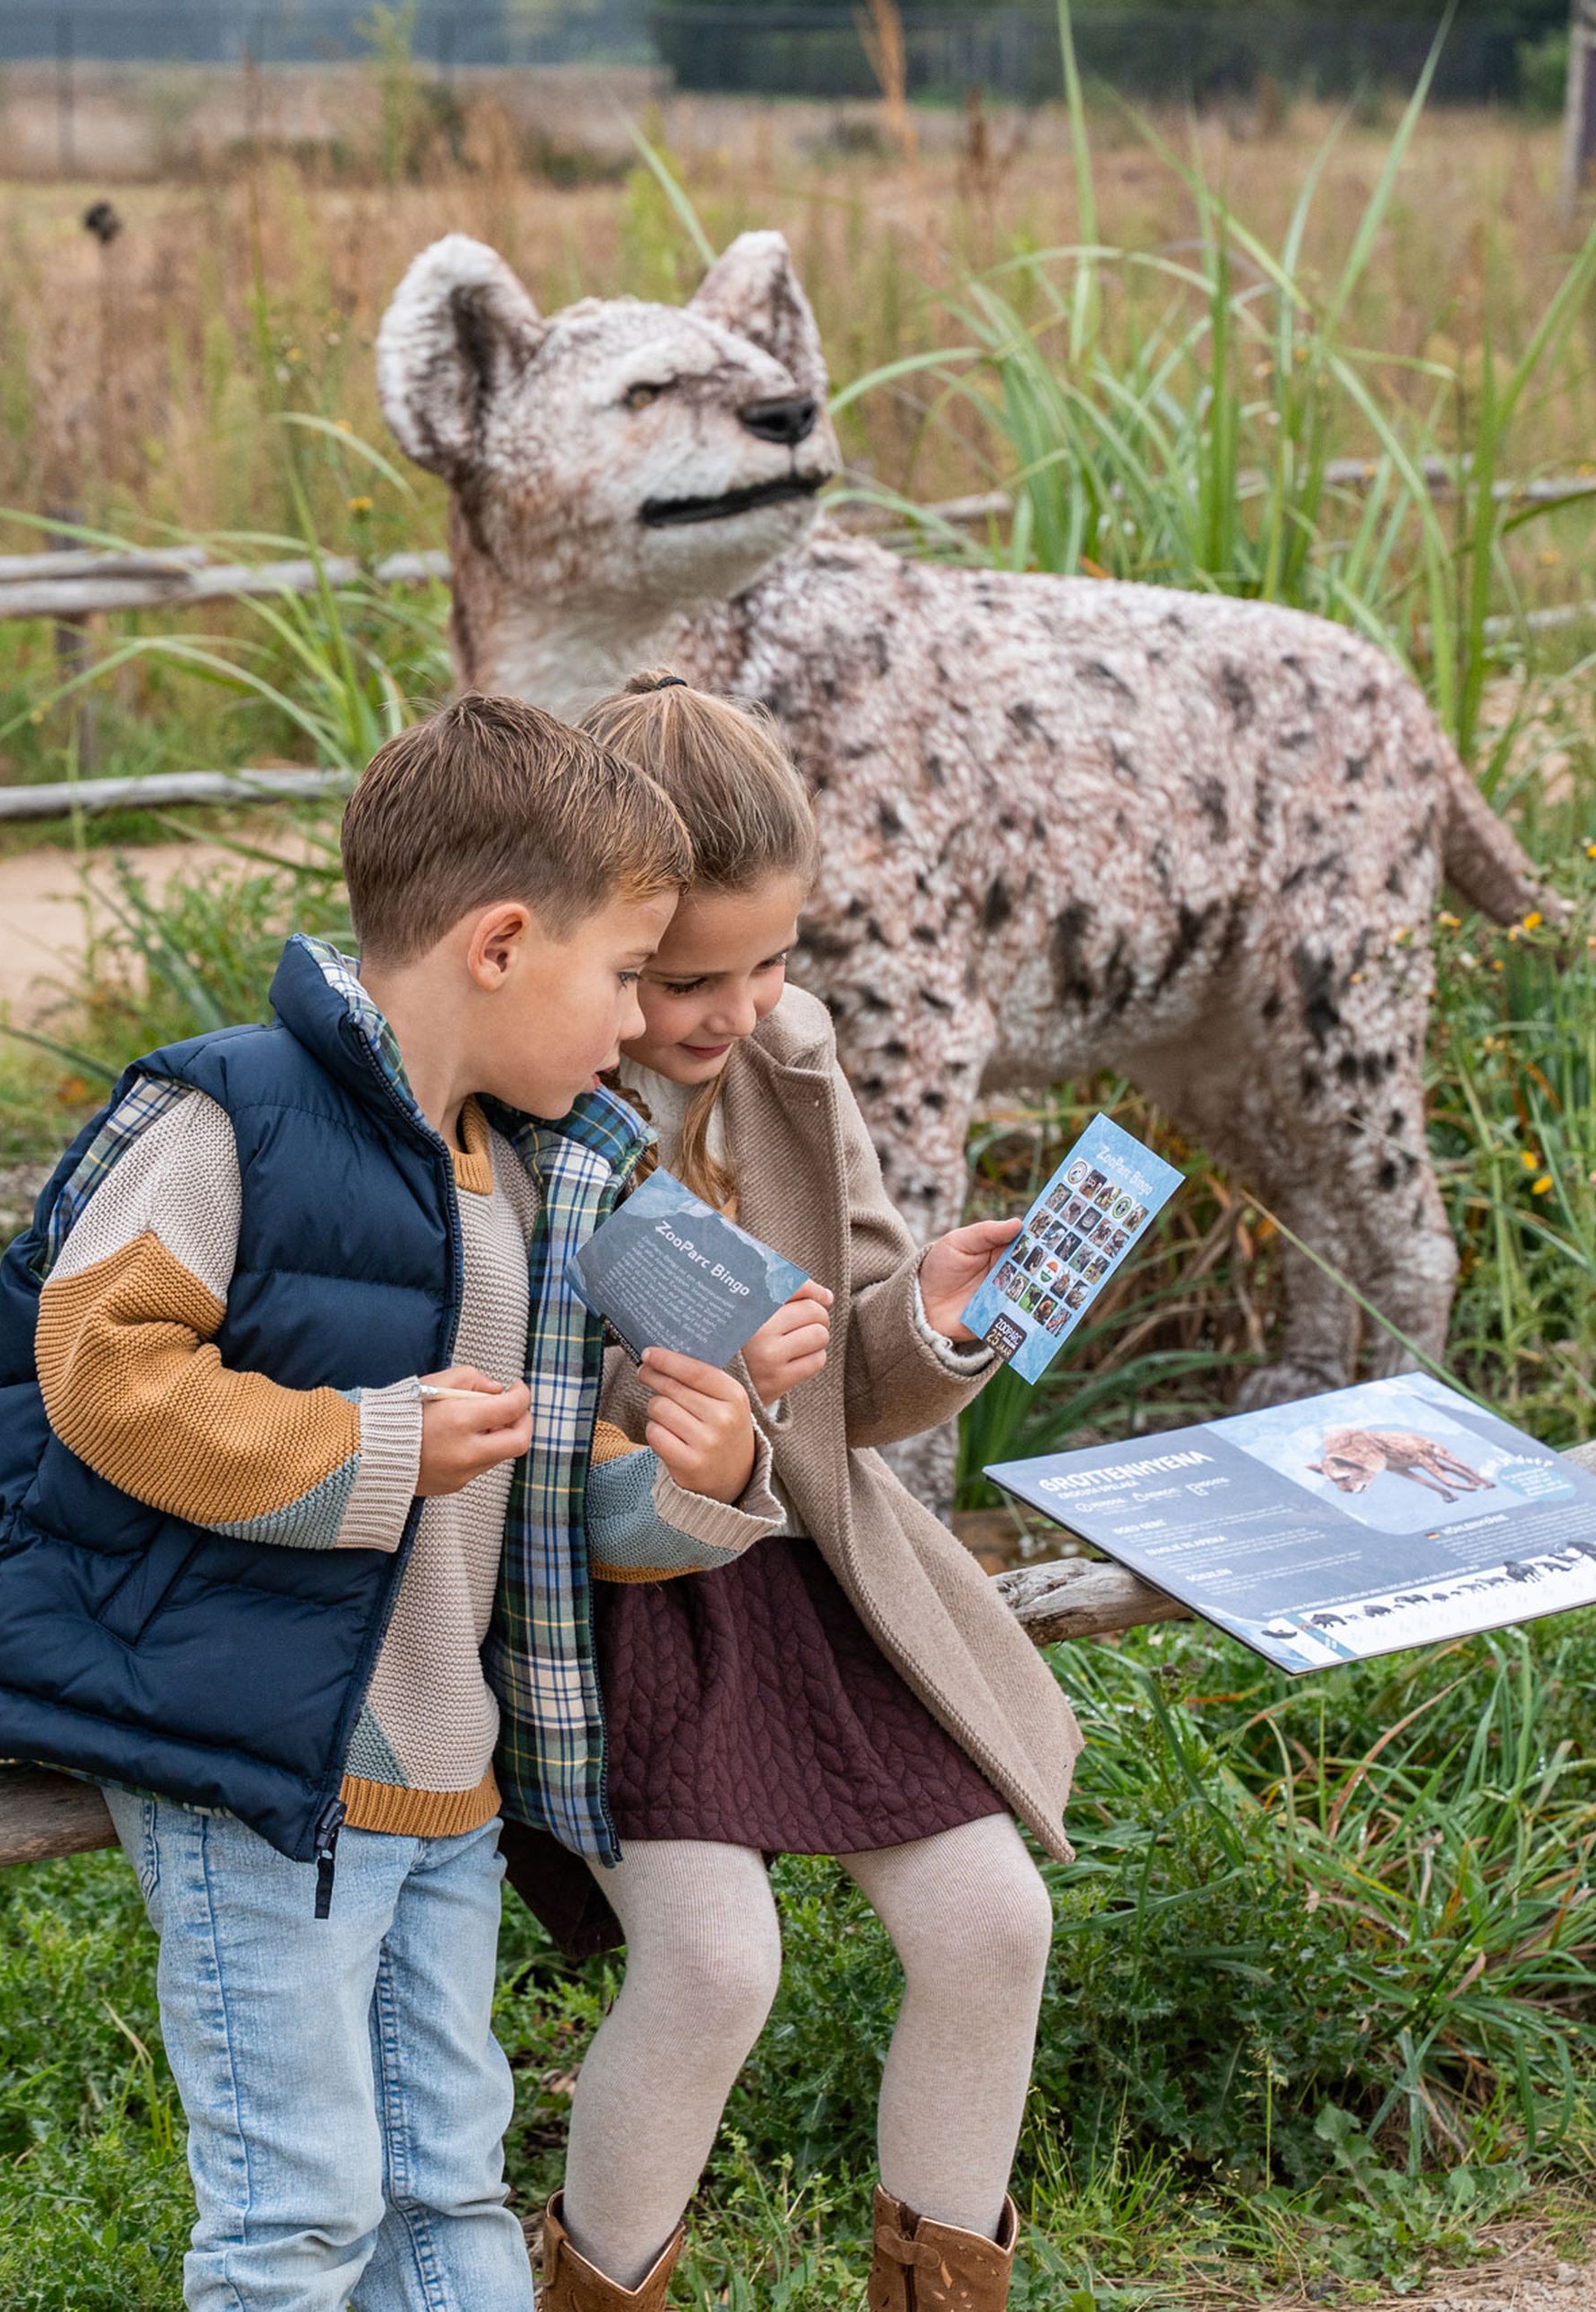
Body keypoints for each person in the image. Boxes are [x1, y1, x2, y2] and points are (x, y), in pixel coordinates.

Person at [0, 693, 786, 2312]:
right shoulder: (229, 1117)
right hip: (266, 1765)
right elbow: (105, 1373)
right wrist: (374, 1447)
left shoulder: (525, 1172)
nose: (632, 1027)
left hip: (438, 1775)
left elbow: (533, 1489)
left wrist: (700, 1484)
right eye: (622, 976)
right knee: (301, 2209)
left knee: (447, 2182)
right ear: (501, 944)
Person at [535, 673, 1085, 2312]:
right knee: (711, 1966)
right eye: (688, 975)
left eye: (773, 959)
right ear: (598, 933)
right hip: (619, 1579)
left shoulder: (784, 1054)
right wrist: (669, 1389)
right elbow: (508, 1377)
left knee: (995, 1926)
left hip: (800, 1565)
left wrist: (931, 1312)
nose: (736, 1004)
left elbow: (852, 1381)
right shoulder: (523, 1092)